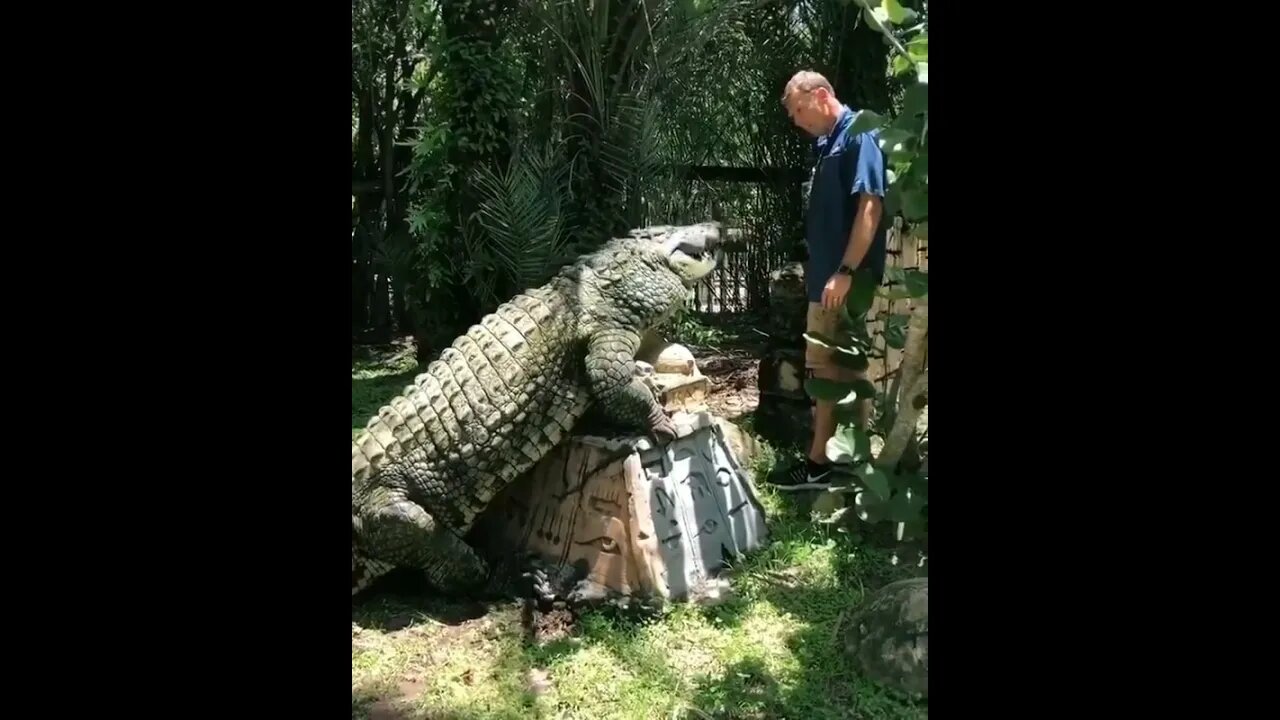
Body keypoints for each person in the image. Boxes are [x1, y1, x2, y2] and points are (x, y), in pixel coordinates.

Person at [772, 70, 889, 492]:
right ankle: (844, 463)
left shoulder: (859, 136)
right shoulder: (828, 144)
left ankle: (818, 463)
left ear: (821, 96)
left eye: (799, 111)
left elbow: (870, 207)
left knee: (828, 370)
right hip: (827, 279)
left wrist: (844, 272)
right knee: (839, 368)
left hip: (844, 282)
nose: (797, 122)